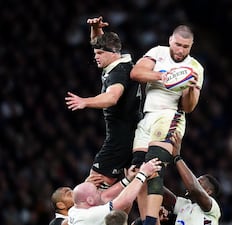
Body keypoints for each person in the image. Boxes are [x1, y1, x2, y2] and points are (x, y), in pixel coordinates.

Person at [130, 25, 204, 225]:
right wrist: (162, 76)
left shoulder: (195, 68)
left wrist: (189, 89)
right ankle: (147, 219)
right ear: (170, 40)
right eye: (178, 44)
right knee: (139, 170)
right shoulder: (157, 52)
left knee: (155, 167)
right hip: (147, 116)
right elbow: (136, 73)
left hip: (170, 115)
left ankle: (150, 221)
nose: (180, 50)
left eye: (185, 47)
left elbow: (189, 107)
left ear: (191, 46)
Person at [65, 16, 142, 188]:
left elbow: (112, 97)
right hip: (130, 134)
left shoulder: (118, 72)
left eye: (100, 54)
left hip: (118, 139)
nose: (96, 57)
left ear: (113, 53)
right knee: (135, 185)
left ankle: (76, 216)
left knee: (91, 187)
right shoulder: (121, 62)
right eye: (95, 53)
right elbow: (98, 43)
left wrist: (85, 101)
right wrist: (96, 29)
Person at [67, 158, 162, 225]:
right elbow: (124, 201)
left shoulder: (75, 210)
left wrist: (128, 179)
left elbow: (106, 196)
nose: (100, 193)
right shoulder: (90, 216)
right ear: (90, 201)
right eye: (97, 193)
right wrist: (143, 173)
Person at [163, 131, 221, 225]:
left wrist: (177, 157)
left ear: (208, 192)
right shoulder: (185, 205)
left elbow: (193, 187)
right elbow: (159, 190)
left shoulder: (213, 209)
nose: (195, 181)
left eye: (199, 182)